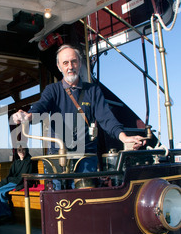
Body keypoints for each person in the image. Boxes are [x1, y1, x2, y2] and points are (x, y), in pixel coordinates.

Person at [12, 44, 145, 178]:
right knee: (59, 198)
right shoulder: (52, 90)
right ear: (59, 66)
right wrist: (28, 116)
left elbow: (106, 118)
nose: (70, 66)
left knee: (85, 195)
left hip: (86, 157)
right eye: (65, 63)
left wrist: (124, 138)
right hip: (59, 156)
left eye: (73, 61)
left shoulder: (93, 91)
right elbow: (41, 106)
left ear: (79, 63)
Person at [0, 146, 33, 223]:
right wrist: (4, 182)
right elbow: (10, 175)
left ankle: (7, 215)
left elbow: (26, 176)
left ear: (26, 150)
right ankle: (2, 214)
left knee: (0, 192)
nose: (22, 152)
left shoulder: (29, 161)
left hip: (20, 182)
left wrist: (20, 185)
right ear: (17, 152)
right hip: (13, 181)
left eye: (23, 150)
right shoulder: (16, 162)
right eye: (19, 150)